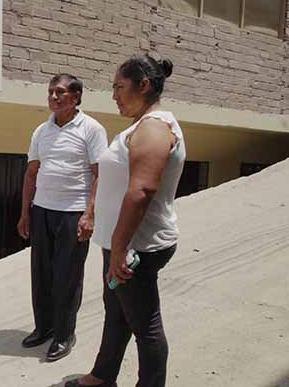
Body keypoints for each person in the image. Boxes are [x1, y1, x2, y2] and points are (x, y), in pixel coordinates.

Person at [66, 56, 185, 387]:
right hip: (120, 244)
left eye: (119, 87)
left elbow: (141, 191)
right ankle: (102, 376)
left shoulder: (154, 128)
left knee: (146, 327)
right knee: (117, 314)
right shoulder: (141, 125)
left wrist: (119, 248)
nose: (114, 95)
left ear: (143, 85)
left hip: (137, 247)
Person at [17, 74, 108, 362]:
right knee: (41, 274)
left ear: (76, 97)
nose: (53, 97)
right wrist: (25, 213)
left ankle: (64, 334)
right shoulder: (41, 131)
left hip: (73, 213)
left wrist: (89, 214)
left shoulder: (91, 129)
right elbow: (31, 173)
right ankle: (44, 328)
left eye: (60, 92)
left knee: (66, 277)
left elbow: (99, 174)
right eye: (50, 92)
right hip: (42, 210)